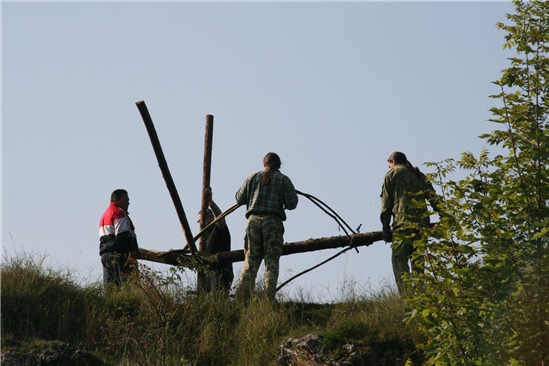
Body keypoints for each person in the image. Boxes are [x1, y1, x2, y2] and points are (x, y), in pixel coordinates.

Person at [235, 152, 299, 302]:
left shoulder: (252, 177)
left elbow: (239, 199)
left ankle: (242, 298)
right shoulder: (283, 180)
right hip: (273, 222)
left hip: (253, 222)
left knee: (250, 260)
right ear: (279, 166)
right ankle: (268, 298)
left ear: (264, 164)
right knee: (271, 261)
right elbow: (292, 203)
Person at [380, 151, 438, 294]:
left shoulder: (391, 176)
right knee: (418, 263)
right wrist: (444, 216)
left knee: (399, 261)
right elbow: (433, 198)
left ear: (393, 162)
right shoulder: (419, 176)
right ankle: (421, 295)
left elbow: (386, 205)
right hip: (421, 226)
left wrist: (385, 228)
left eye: (390, 166)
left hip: (402, 225)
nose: (390, 168)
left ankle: (407, 297)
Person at [99, 189, 139, 286]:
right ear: (115, 200)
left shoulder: (105, 214)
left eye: (128, 200)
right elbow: (122, 235)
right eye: (125, 200)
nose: (128, 203)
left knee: (110, 286)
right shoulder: (119, 213)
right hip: (118, 254)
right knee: (127, 285)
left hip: (106, 254)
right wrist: (131, 251)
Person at [198, 187, 234, 291]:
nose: (201, 223)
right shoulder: (203, 237)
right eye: (199, 221)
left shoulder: (219, 229)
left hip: (221, 271)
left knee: (218, 298)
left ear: (211, 218)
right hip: (207, 273)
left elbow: (220, 218)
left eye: (203, 220)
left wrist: (210, 203)